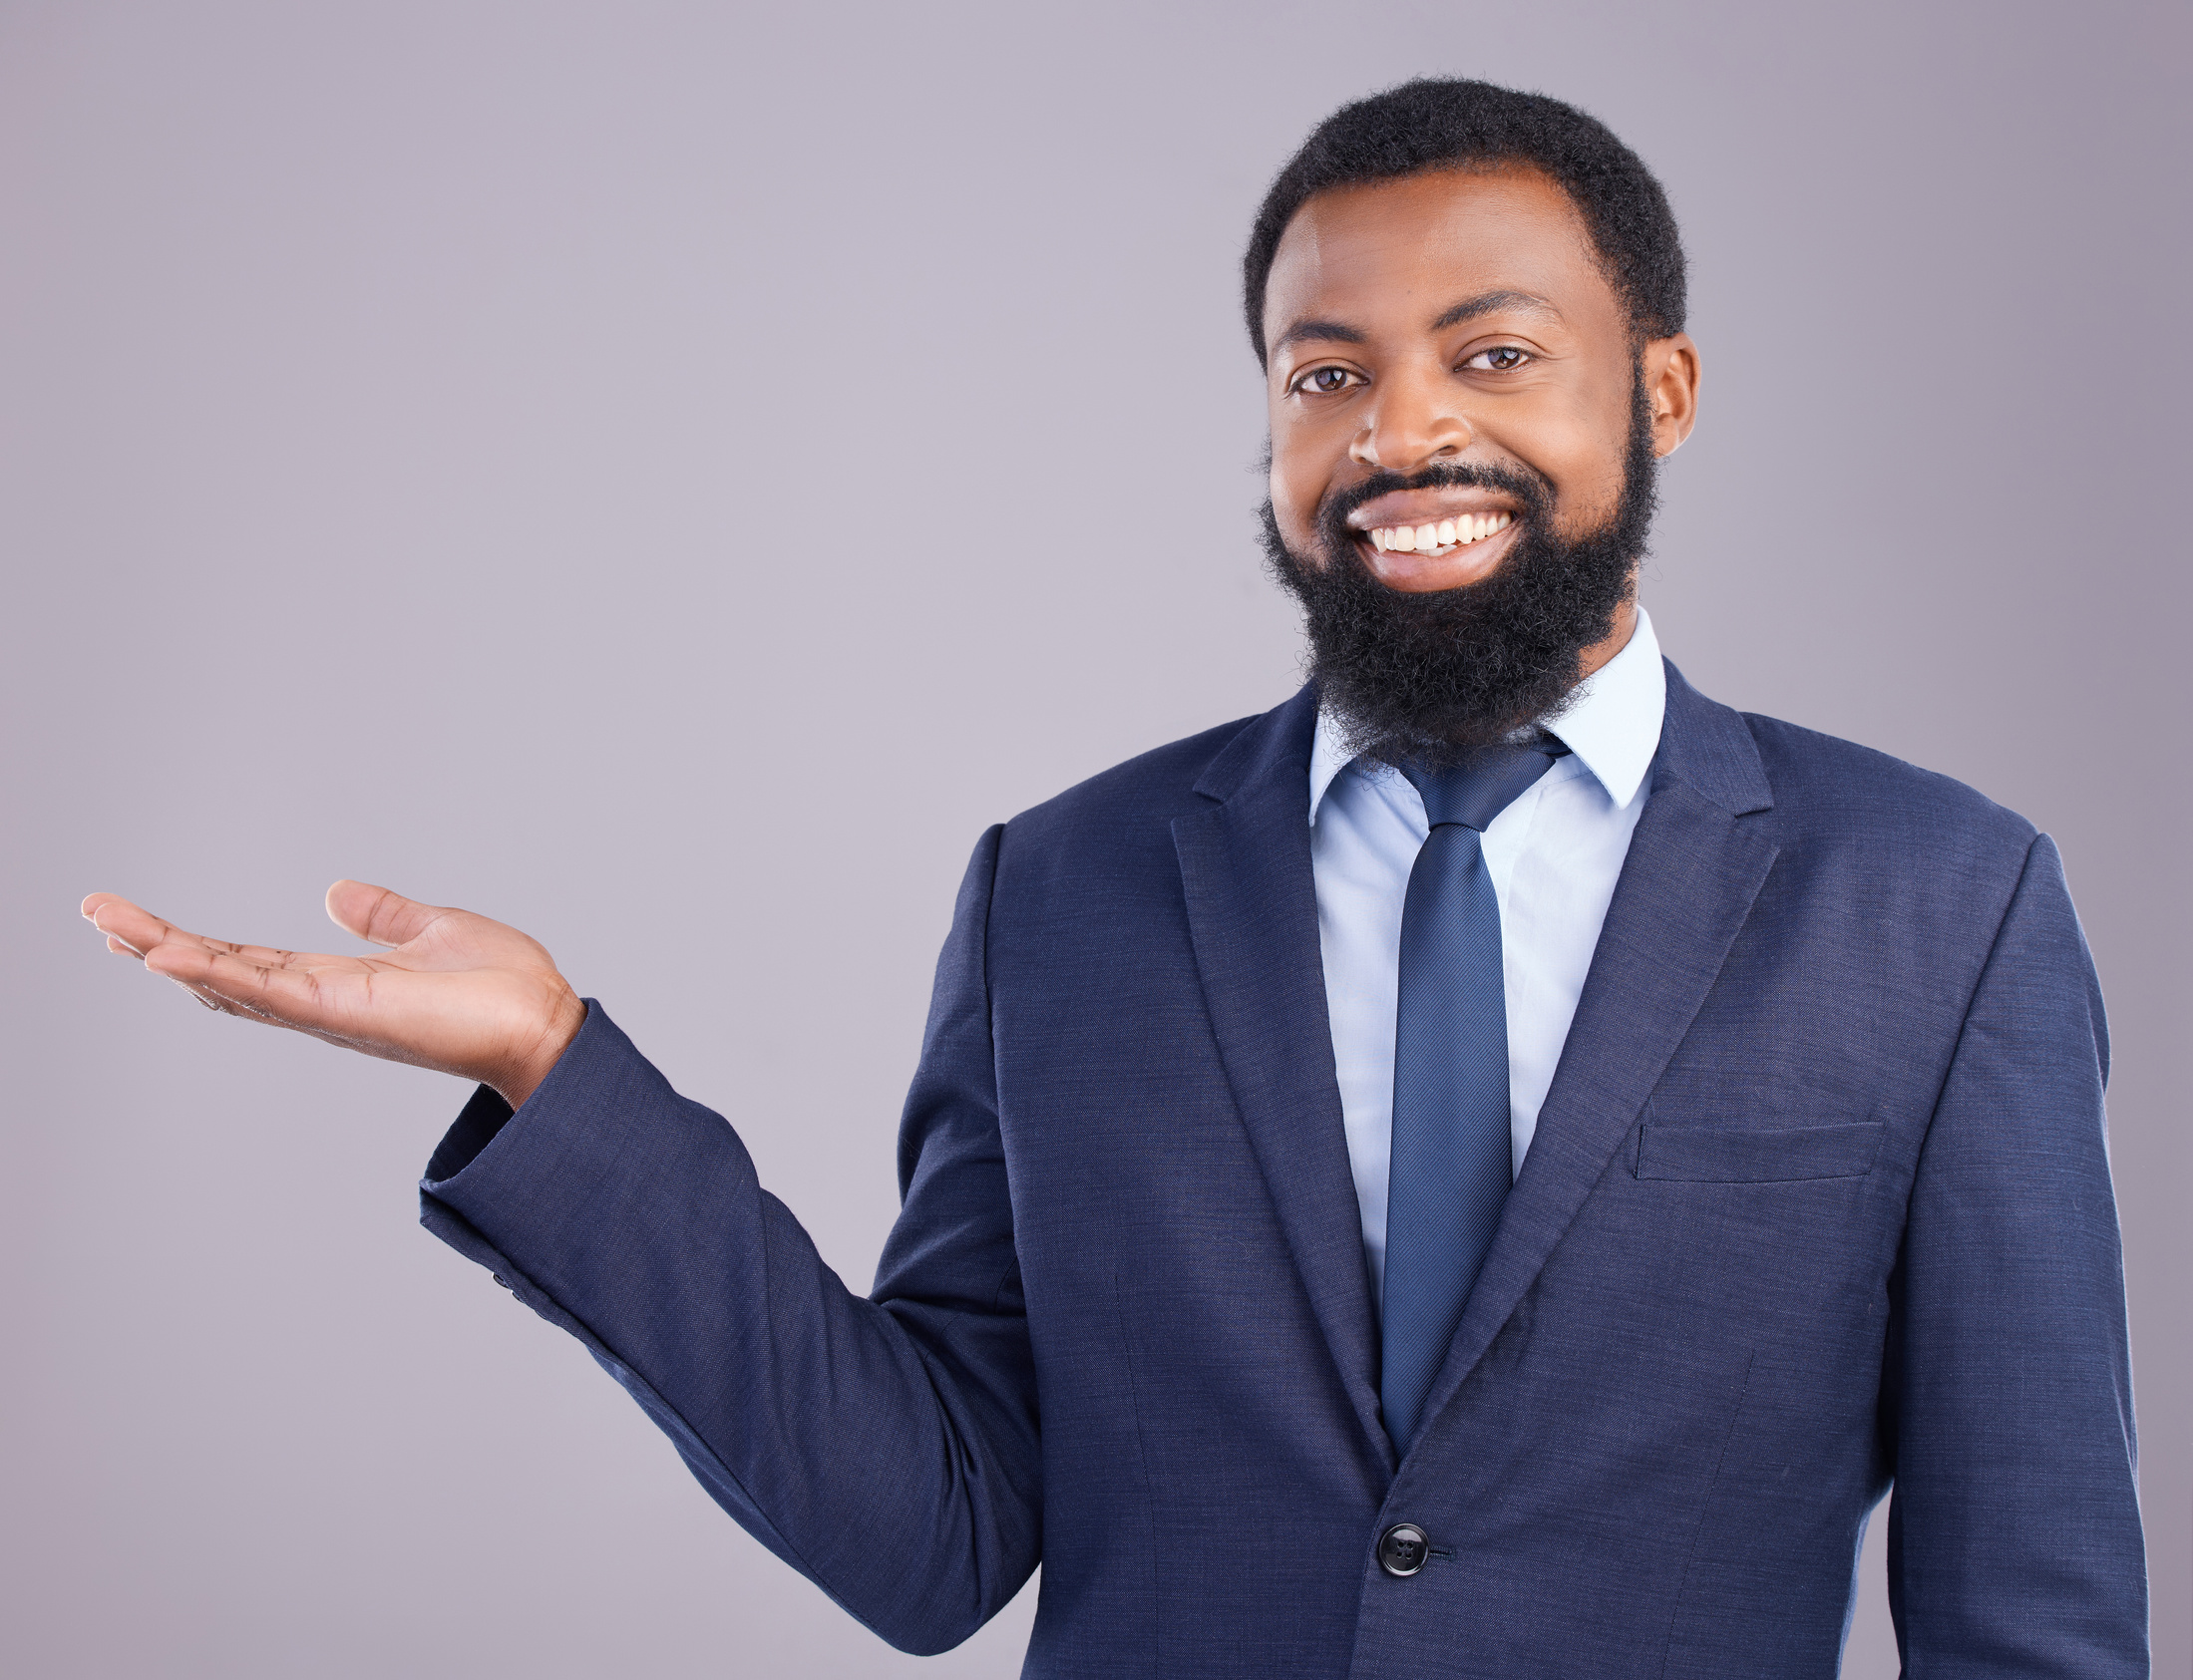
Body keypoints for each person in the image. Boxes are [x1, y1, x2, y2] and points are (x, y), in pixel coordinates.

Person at [80, 79, 2146, 1677]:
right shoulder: (1060, 893)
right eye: (1323, 370)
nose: (1398, 428)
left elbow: (2028, 1604)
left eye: (1491, 355)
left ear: (1660, 392)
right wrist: (553, 1066)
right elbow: (934, 1530)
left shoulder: (1933, 908)